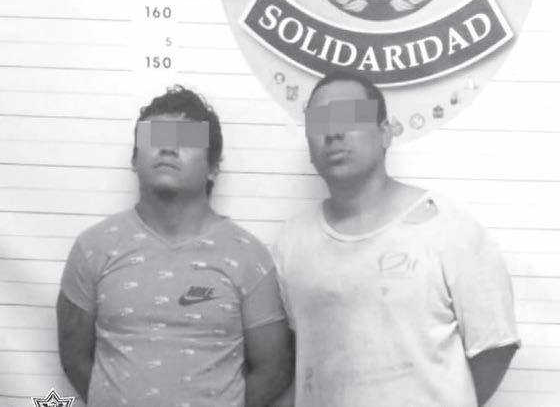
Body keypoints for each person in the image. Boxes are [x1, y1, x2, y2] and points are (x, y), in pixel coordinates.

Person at [273, 71, 520, 407]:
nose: (333, 132)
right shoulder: (291, 243)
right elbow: (304, 361)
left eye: (349, 117)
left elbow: (494, 348)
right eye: (319, 123)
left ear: (385, 133)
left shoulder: (448, 227)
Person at [57, 85, 292, 407]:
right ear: (134, 159)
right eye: (155, 137)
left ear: (213, 167)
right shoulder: (93, 248)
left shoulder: (248, 257)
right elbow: (74, 357)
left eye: (186, 139)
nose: (168, 148)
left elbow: (274, 370)